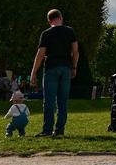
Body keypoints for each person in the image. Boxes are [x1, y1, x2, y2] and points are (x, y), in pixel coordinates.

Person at [30, 8, 79, 138]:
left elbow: (40, 54)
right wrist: (74, 67)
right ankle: (60, 130)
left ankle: (47, 130)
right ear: (61, 18)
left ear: (49, 21)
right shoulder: (70, 31)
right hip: (66, 67)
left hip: (51, 67)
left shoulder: (46, 34)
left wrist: (34, 72)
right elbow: (75, 51)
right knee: (63, 101)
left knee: (49, 101)